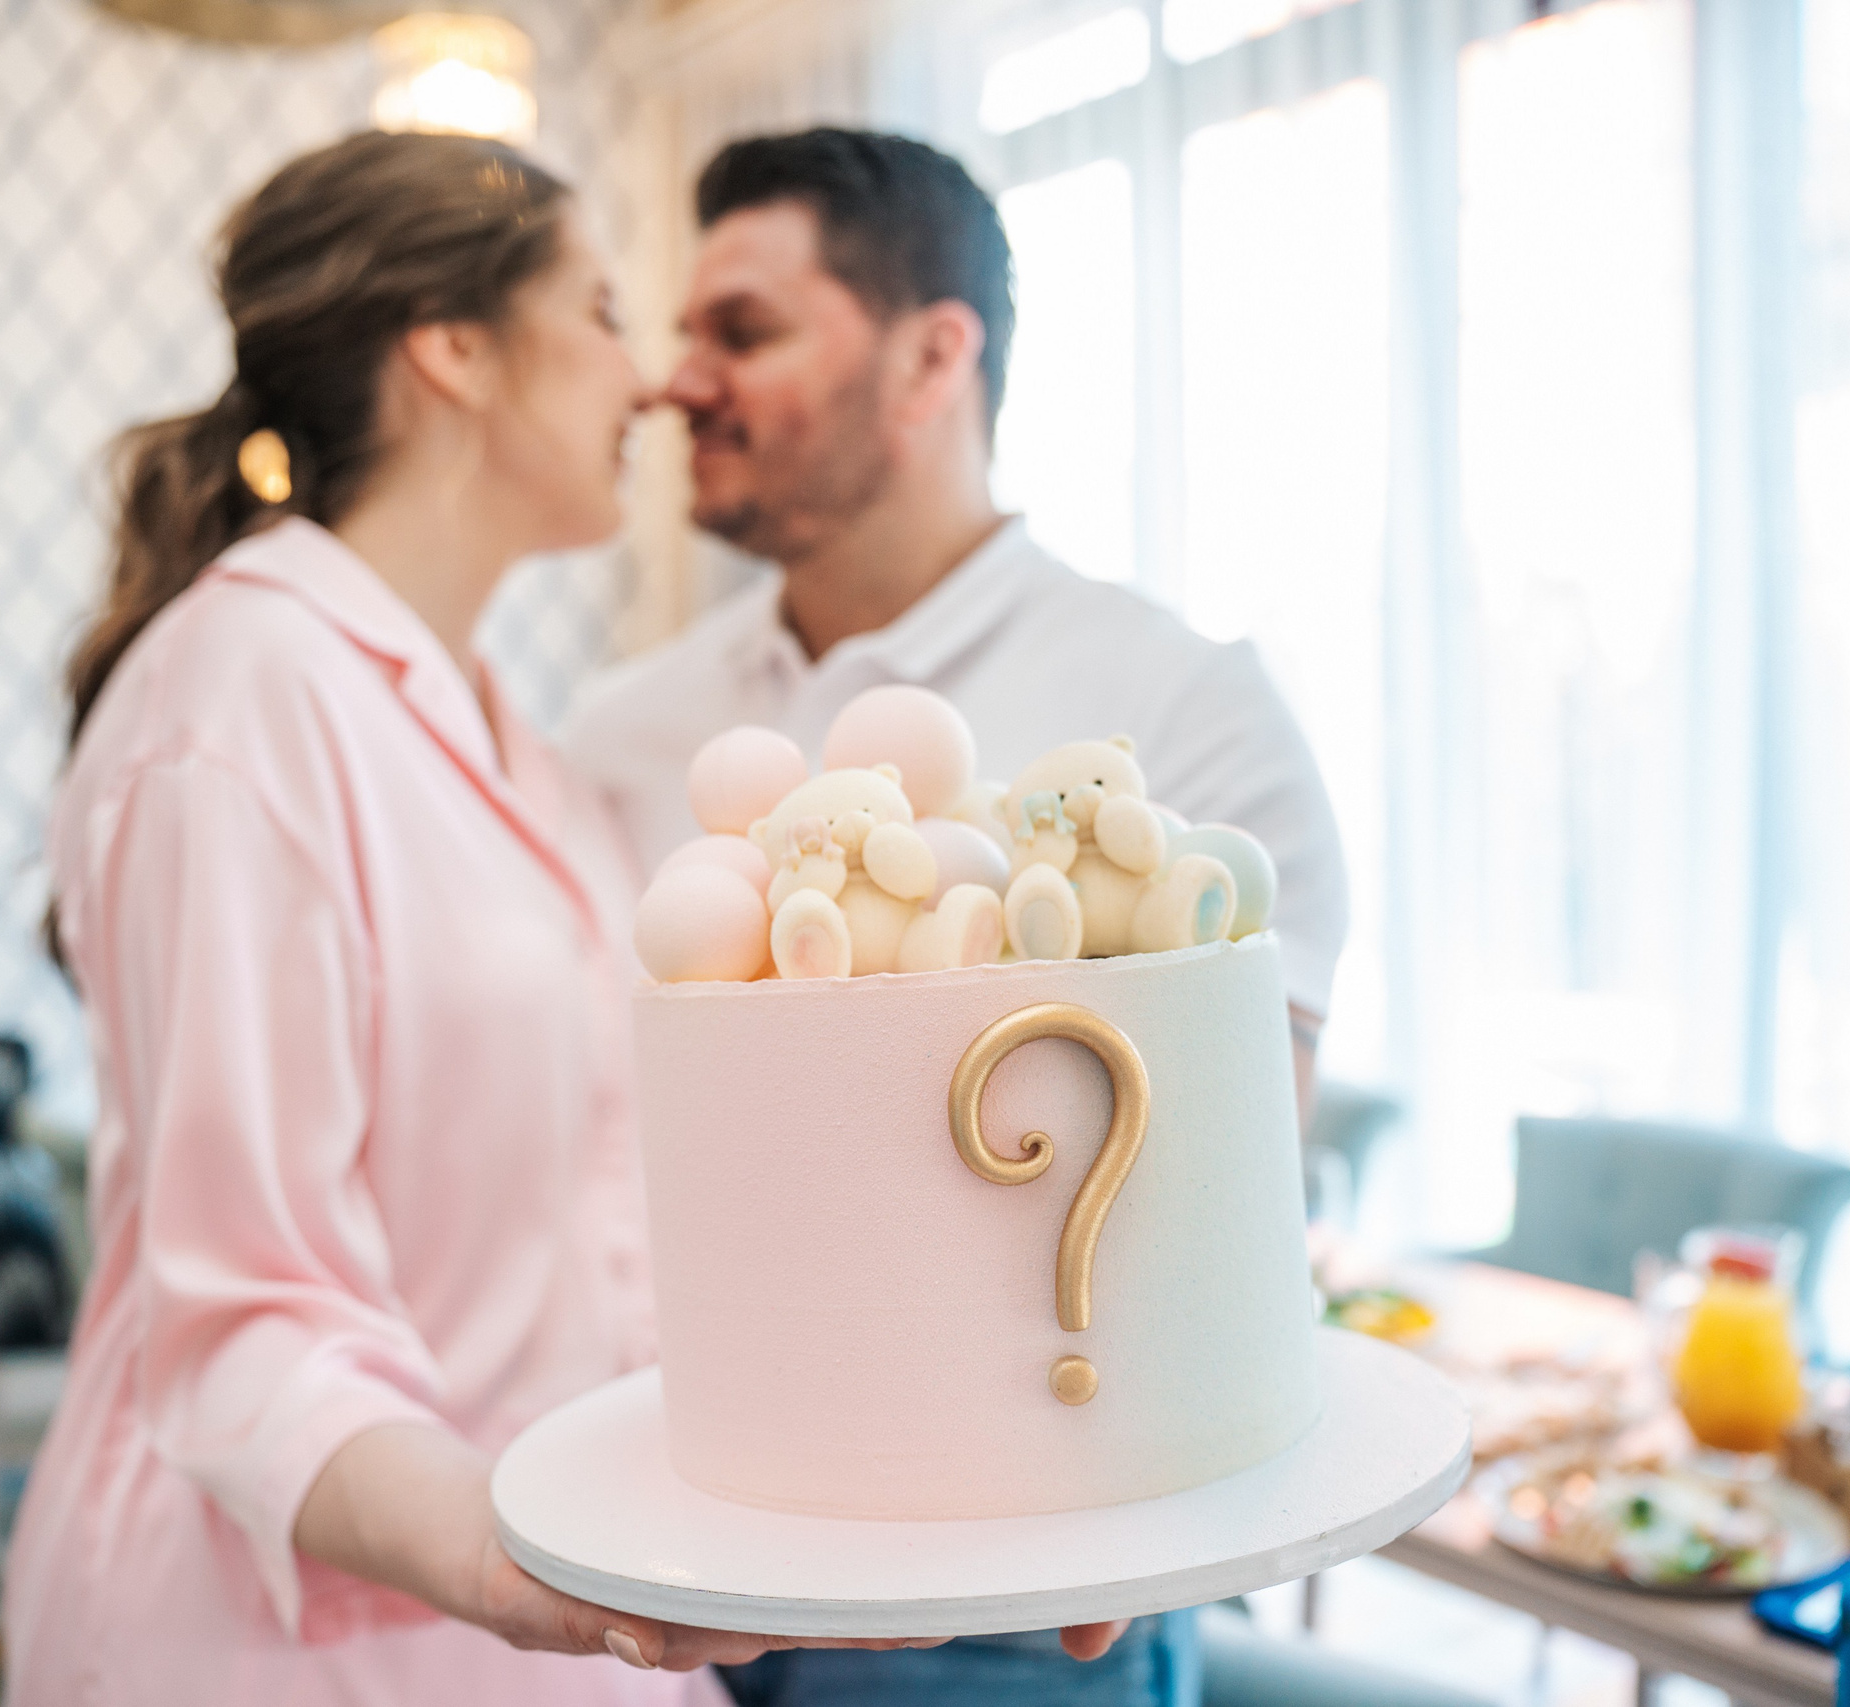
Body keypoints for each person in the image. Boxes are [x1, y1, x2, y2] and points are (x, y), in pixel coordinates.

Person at [0, 132, 1115, 1705]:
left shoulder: (522, 740)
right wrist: (509, 1560)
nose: (653, 382)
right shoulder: (241, 698)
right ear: (451, 349)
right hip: (292, 1630)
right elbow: (238, 1318)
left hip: (546, 1590)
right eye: (601, 311)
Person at [562, 127, 1353, 1707]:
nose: (676, 381)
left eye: (746, 329)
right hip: (648, 1534)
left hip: (1018, 1604)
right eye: (680, 332)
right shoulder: (616, 736)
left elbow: (1215, 1193)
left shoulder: (1181, 712)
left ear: (934, 357)